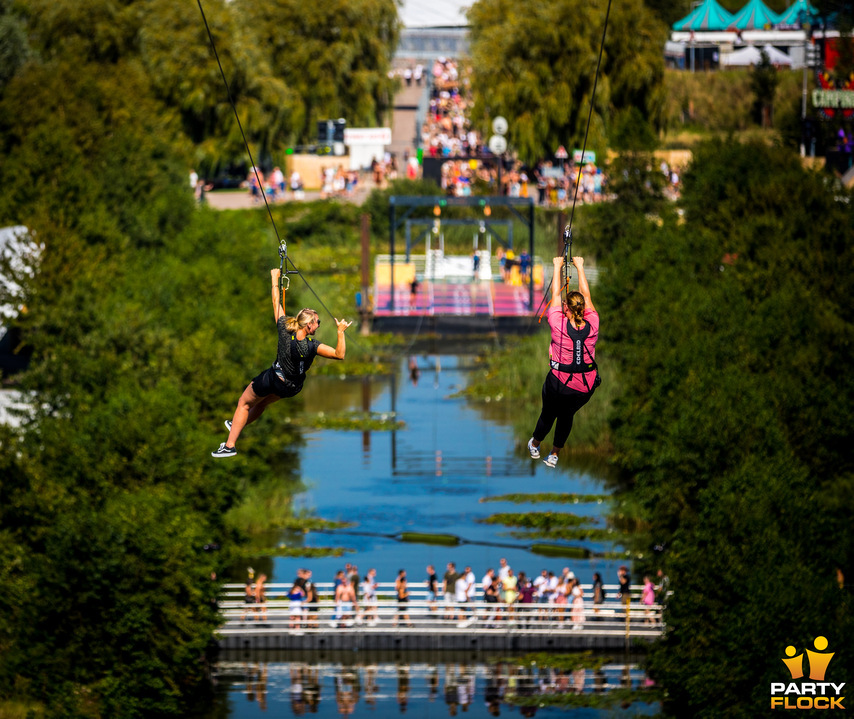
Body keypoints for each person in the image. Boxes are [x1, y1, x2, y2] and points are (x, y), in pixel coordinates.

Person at [212, 268, 352, 457]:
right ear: (309, 325)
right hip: (292, 388)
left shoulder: (285, 329)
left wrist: (274, 277)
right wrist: (340, 332)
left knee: (244, 404)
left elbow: (275, 301)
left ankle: (229, 446)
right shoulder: (313, 346)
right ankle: (237, 426)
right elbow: (339, 354)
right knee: (260, 404)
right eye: (318, 321)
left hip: (275, 379)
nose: (319, 324)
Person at [527, 256, 599, 468]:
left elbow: (555, 296)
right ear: (584, 309)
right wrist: (580, 267)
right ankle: (554, 454)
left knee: (549, 414)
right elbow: (586, 295)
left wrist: (558, 267)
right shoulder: (593, 323)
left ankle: (535, 444)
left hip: (559, 384)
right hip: (585, 386)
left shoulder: (558, 323)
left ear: (566, 308)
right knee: (567, 415)